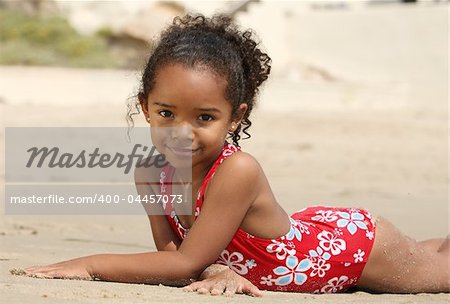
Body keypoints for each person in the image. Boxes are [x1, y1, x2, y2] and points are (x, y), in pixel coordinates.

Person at [24, 14, 449, 296]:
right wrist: (216, 271)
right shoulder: (150, 173)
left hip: (352, 253)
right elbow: (174, 259)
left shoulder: (236, 171)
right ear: (145, 106)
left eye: (204, 116)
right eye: (166, 113)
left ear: (234, 117)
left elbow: (187, 260)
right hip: (314, 231)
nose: (182, 132)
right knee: (431, 252)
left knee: (439, 277)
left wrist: (90, 265)